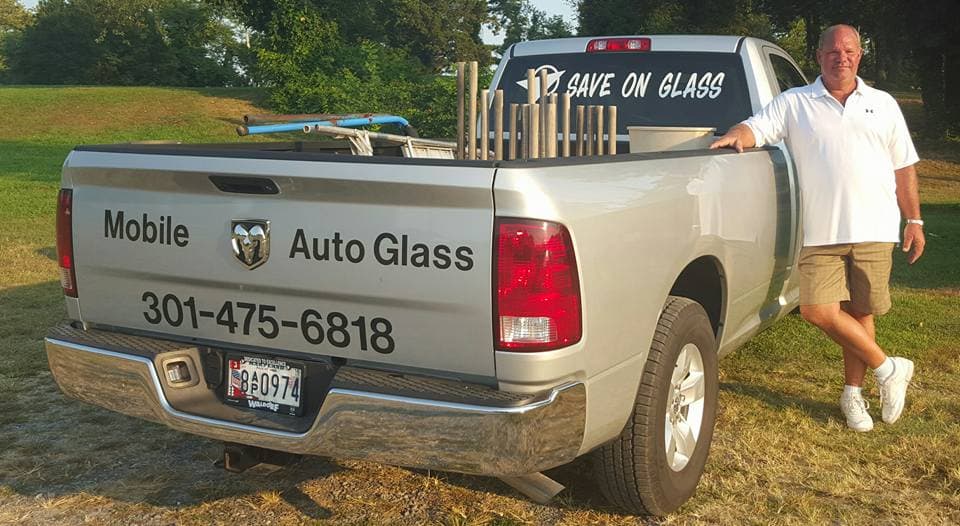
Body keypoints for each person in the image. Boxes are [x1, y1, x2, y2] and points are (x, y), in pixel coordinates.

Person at [710, 24, 925, 432]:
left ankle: (853, 395)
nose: (840, 57)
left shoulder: (883, 104)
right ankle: (889, 367)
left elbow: (904, 166)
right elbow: (757, 126)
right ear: (819, 56)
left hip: (875, 227)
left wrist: (913, 219)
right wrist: (736, 135)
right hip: (821, 232)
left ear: (859, 55)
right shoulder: (795, 102)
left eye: (848, 50)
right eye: (832, 51)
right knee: (818, 310)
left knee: (860, 312)